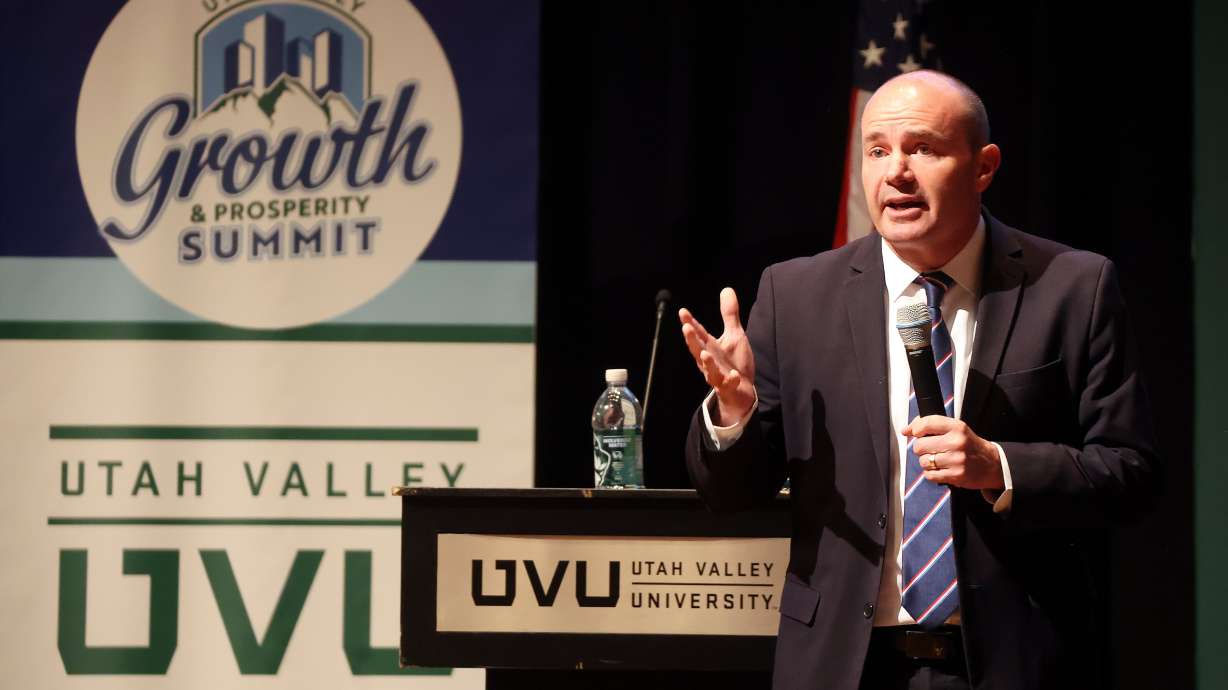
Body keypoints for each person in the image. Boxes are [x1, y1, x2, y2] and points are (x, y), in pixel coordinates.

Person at [678, 70, 1159, 690]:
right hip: (843, 666)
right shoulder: (795, 295)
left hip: (1013, 661)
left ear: (984, 167)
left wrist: (1000, 466)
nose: (896, 173)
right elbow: (730, 494)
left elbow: (1131, 473)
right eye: (878, 151)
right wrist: (734, 413)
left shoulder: (1072, 287)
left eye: (923, 149)